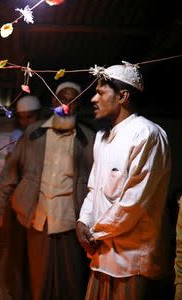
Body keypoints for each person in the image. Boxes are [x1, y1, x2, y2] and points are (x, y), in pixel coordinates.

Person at [76, 62, 172, 299]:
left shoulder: (147, 134)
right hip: (100, 255)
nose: (93, 99)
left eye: (100, 92)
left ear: (122, 96)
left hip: (131, 260)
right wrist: (82, 222)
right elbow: (94, 189)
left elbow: (135, 202)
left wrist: (94, 233)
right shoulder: (102, 137)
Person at [0, 81, 94, 299]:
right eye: (63, 98)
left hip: (71, 222)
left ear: (79, 106)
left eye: (73, 99)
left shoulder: (88, 139)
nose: (68, 104)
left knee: (72, 284)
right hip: (38, 219)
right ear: (54, 102)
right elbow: (10, 172)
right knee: (40, 284)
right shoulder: (33, 133)